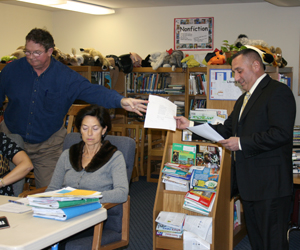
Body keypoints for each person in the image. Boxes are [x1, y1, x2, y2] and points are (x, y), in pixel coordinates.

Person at [175, 48, 296, 250]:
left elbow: (281, 133)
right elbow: (225, 130)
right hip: (249, 185)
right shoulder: (243, 100)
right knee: (257, 241)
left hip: (270, 187)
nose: (236, 77)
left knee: (272, 243)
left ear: (256, 66)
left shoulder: (278, 91)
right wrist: (190, 125)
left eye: (239, 71)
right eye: (234, 72)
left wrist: (240, 143)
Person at [0, 28, 147, 188]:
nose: (31, 57)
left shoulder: (66, 76)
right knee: (8, 192)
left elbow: (93, 91)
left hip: (47, 145)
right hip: (12, 140)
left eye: (37, 53)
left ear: (50, 51)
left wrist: (120, 101)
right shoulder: (11, 70)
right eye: (28, 52)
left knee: (50, 195)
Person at [46, 104, 128, 249]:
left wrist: (86, 198)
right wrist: (44, 204)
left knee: (58, 243)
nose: (89, 133)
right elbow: (53, 188)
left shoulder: (114, 157)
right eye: (85, 128)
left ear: (104, 130)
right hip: (63, 215)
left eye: (95, 128)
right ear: (79, 130)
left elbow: (121, 193)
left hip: (94, 219)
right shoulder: (68, 154)